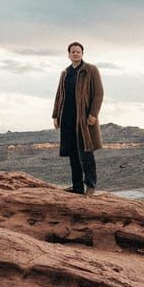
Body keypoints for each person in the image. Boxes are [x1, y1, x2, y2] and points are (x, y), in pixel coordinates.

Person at [52, 41, 104, 195]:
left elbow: (99, 93)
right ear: (69, 54)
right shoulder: (65, 73)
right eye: (72, 52)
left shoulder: (91, 70)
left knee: (86, 153)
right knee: (73, 154)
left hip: (83, 119)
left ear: (82, 53)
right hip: (67, 117)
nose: (75, 54)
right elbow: (59, 95)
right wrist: (55, 115)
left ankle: (90, 185)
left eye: (78, 51)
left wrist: (93, 114)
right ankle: (77, 187)